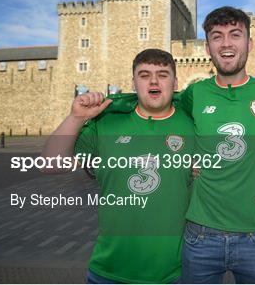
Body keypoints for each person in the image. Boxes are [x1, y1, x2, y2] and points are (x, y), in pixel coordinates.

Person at [41, 49, 195, 283]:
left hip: (172, 274)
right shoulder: (106, 122)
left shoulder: (193, 123)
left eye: (163, 74)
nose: (153, 81)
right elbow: (50, 164)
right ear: (133, 82)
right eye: (144, 75)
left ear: (175, 83)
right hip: (108, 272)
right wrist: (76, 117)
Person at [179, 6, 255, 283]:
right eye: (217, 36)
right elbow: (166, 122)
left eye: (235, 34)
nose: (226, 44)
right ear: (207, 47)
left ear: (250, 43)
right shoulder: (194, 94)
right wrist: (187, 161)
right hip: (200, 236)